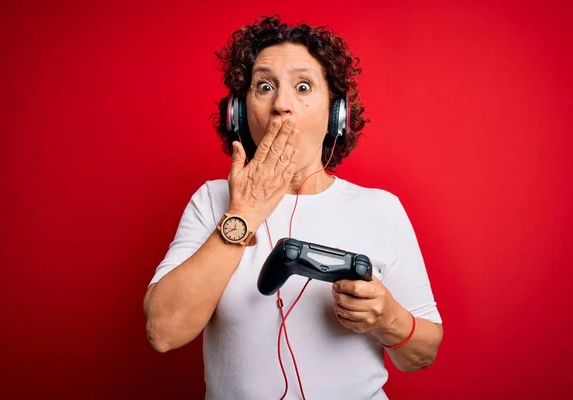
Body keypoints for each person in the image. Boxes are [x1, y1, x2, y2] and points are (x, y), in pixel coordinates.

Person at [143, 15, 443, 400]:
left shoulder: (379, 209)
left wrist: (389, 318)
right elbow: (163, 332)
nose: (281, 105)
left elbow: (423, 353)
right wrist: (244, 212)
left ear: (337, 115)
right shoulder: (211, 200)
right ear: (238, 112)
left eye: (303, 86)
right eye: (264, 86)